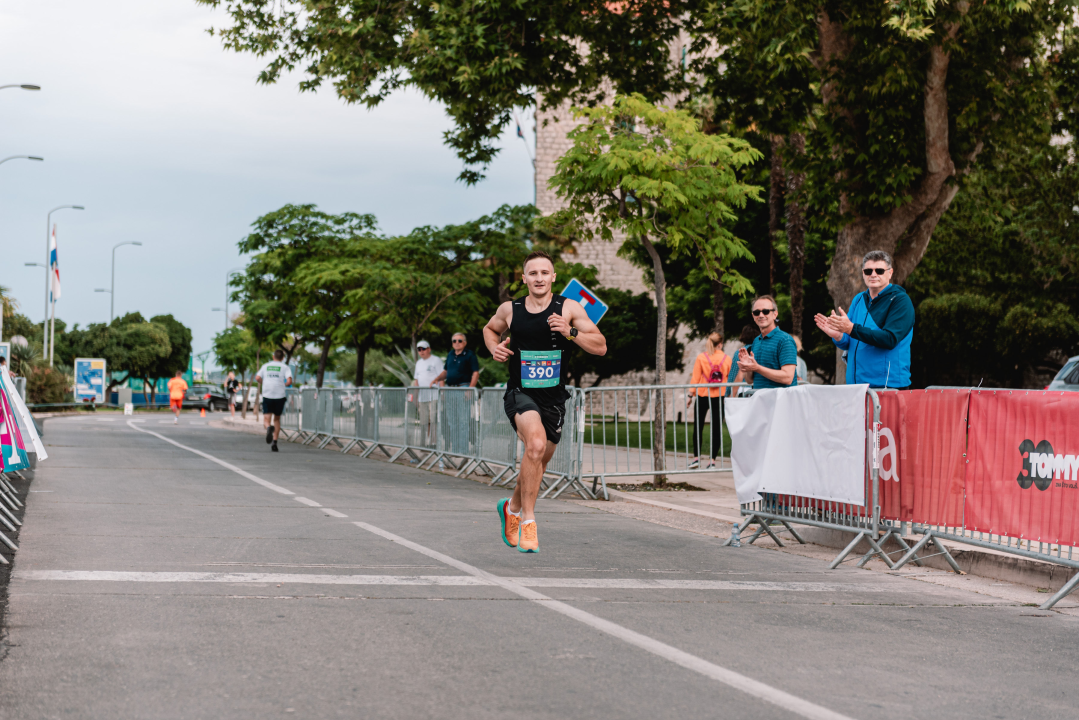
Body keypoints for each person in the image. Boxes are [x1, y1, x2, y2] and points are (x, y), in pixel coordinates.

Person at [483, 250, 606, 553]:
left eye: (544, 272)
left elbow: (600, 346)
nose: (538, 278)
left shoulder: (569, 308)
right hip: (520, 393)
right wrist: (493, 348)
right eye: (532, 273)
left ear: (554, 277)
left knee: (537, 462)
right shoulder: (510, 309)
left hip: (554, 399)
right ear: (524, 278)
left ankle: (511, 507)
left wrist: (571, 331)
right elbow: (490, 329)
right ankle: (528, 520)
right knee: (535, 446)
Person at [814, 250, 915, 389]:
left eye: (879, 270)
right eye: (868, 271)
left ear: (890, 273)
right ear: (863, 273)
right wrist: (838, 336)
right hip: (857, 388)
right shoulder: (859, 299)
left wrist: (850, 329)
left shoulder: (900, 301)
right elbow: (848, 341)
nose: (873, 274)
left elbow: (889, 339)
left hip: (887, 387)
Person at [687, 331, 733, 469]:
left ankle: (696, 458)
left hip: (702, 394)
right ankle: (712, 460)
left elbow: (695, 378)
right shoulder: (727, 359)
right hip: (720, 396)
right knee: (716, 428)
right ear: (721, 344)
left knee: (698, 427)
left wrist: (690, 395)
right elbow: (730, 379)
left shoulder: (701, 358)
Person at [432, 333, 480, 456]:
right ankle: (455, 450)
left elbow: (475, 373)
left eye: (459, 340)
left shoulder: (469, 355)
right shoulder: (450, 354)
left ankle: (463, 451)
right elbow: (446, 371)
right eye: (454, 341)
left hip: (463, 389)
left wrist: (470, 389)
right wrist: (437, 379)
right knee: (452, 422)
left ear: (464, 342)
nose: (456, 343)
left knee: (463, 422)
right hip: (450, 390)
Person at [736, 295, 799, 390]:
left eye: (766, 311)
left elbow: (788, 378)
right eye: (757, 312)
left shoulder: (785, 340)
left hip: (782, 402)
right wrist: (748, 368)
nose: (761, 315)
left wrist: (757, 368)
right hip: (761, 401)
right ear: (753, 316)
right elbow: (750, 381)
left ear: (775, 314)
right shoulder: (756, 341)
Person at [255, 350, 293, 452]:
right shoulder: (285, 367)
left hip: (267, 394)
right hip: (280, 395)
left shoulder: (265, 366)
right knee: (276, 419)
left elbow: (257, 377)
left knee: (267, 419)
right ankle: (274, 443)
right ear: (283, 358)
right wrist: (282, 385)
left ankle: (268, 428)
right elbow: (289, 381)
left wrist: (264, 383)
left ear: (273, 356)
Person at [412, 340, 444, 449]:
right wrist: (416, 397)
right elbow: (417, 381)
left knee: (433, 420)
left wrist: (442, 393)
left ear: (428, 349)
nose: (421, 351)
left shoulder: (436, 360)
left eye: (423, 349)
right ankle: (424, 442)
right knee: (424, 421)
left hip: (434, 395)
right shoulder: (418, 363)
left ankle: (434, 443)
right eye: (419, 349)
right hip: (423, 397)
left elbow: (441, 377)